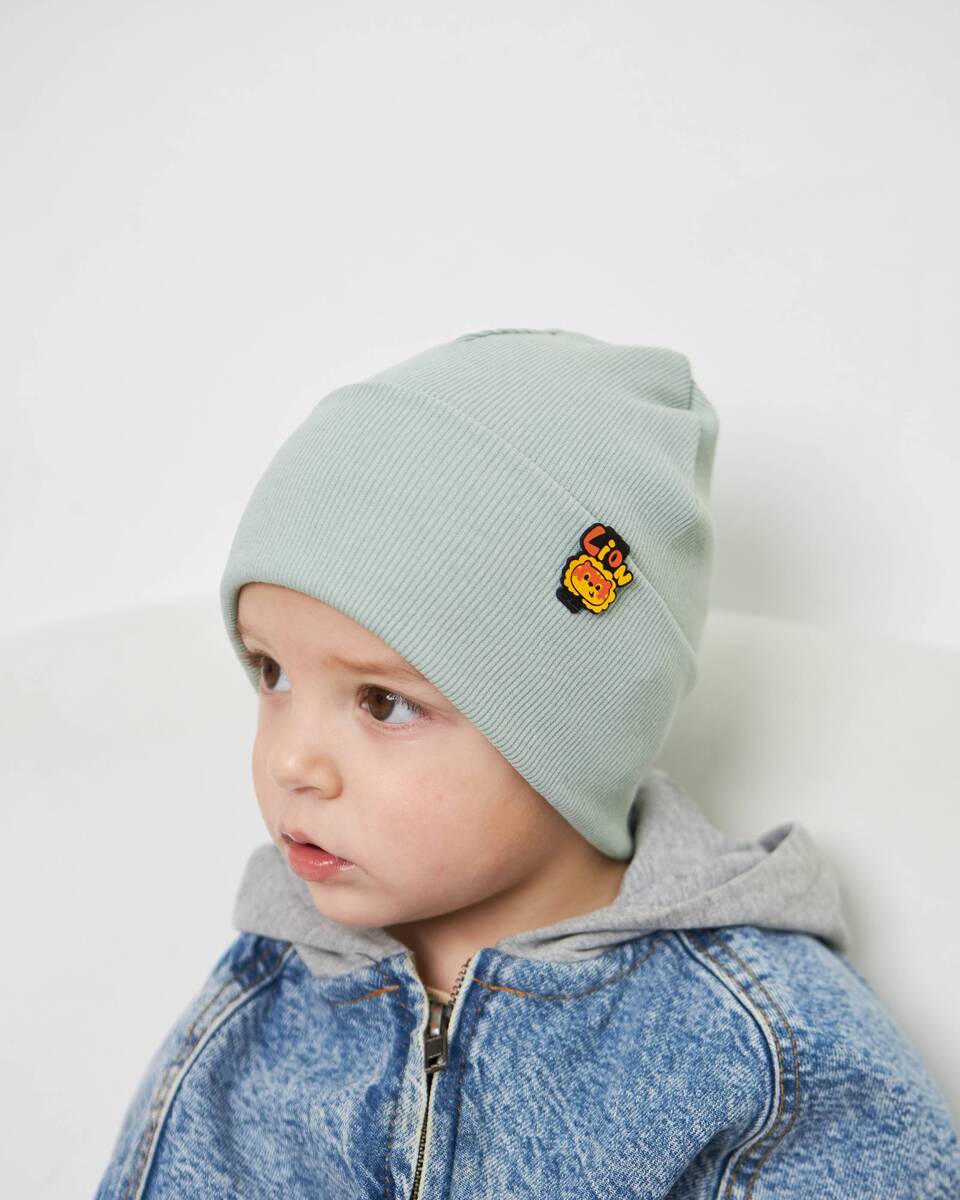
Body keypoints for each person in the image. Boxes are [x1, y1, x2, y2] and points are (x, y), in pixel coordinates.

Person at [95, 329, 960, 1198]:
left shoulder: (767, 1047)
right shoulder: (263, 996)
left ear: (570, 737)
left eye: (383, 703)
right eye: (271, 673)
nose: (289, 760)